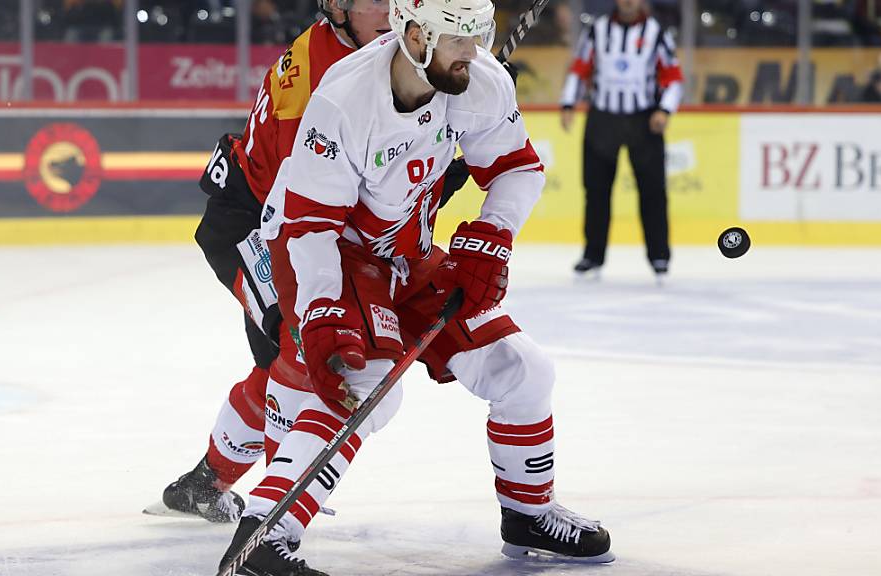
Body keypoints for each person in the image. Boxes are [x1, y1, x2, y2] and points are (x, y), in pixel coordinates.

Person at [216, 0, 613, 574]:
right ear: (416, 35)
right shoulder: (344, 97)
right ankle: (267, 535)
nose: (473, 53)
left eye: (478, 37)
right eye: (458, 39)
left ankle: (528, 511)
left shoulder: (480, 81)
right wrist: (324, 307)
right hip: (324, 250)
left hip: (405, 252)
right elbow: (308, 226)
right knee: (366, 386)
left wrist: (493, 234)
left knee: (522, 370)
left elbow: (516, 168)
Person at [157, 0, 474, 525]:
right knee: (301, 343)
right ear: (337, 8)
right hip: (256, 223)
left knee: (291, 357)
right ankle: (274, 506)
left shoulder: (377, 59)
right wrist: (425, 184)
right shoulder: (323, 79)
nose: (390, 8)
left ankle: (206, 483)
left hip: (290, 217)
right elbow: (308, 205)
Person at [560, 0, 683, 279]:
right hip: (603, 117)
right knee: (596, 191)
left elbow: (673, 77)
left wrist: (665, 110)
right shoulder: (597, 30)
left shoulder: (657, 32)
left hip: (644, 119)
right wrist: (568, 103)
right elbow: (580, 68)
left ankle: (659, 256)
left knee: (653, 191)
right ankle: (593, 256)